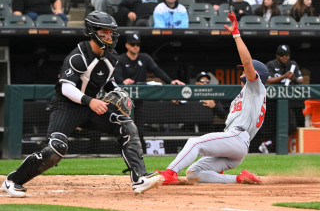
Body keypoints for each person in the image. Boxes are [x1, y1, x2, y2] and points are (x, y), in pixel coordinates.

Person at [1, 11, 164, 198]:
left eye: (111, 33)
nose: (109, 36)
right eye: (104, 32)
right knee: (56, 149)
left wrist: (118, 91)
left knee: (126, 125)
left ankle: (140, 178)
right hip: (66, 106)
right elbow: (65, 88)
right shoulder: (78, 56)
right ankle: (12, 181)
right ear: (92, 32)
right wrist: (91, 101)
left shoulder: (111, 57)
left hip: (91, 107)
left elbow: (108, 81)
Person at [156, 12, 268, 185]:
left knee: (195, 142)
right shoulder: (247, 94)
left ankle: (170, 173)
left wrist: (236, 35)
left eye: (244, 70)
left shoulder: (256, 88)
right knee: (194, 173)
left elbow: (247, 62)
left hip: (237, 137)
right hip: (234, 143)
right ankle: (239, 179)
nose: (242, 71)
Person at [265, 44, 303, 145]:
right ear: (277, 56)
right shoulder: (271, 65)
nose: (284, 57)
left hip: (286, 100)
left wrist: (293, 78)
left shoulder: (293, 64)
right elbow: (267, 80)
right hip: (271, 101)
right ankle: (266, 146)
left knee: (292, 126)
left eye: (286, 54)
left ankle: (268, 144)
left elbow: (301, 79)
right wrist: (284, 76)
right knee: (271, 126)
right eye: (282, 55)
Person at [114, 32, 185, 85]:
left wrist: (170, 81)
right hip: (125, 93)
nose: (135, 47)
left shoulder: (145, 57)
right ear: (127, 45)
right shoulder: (120, 59)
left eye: (138, 44)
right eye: (132, 44)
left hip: (141, 93)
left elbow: (157, 70)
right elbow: (117, 75)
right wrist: (122, 82)